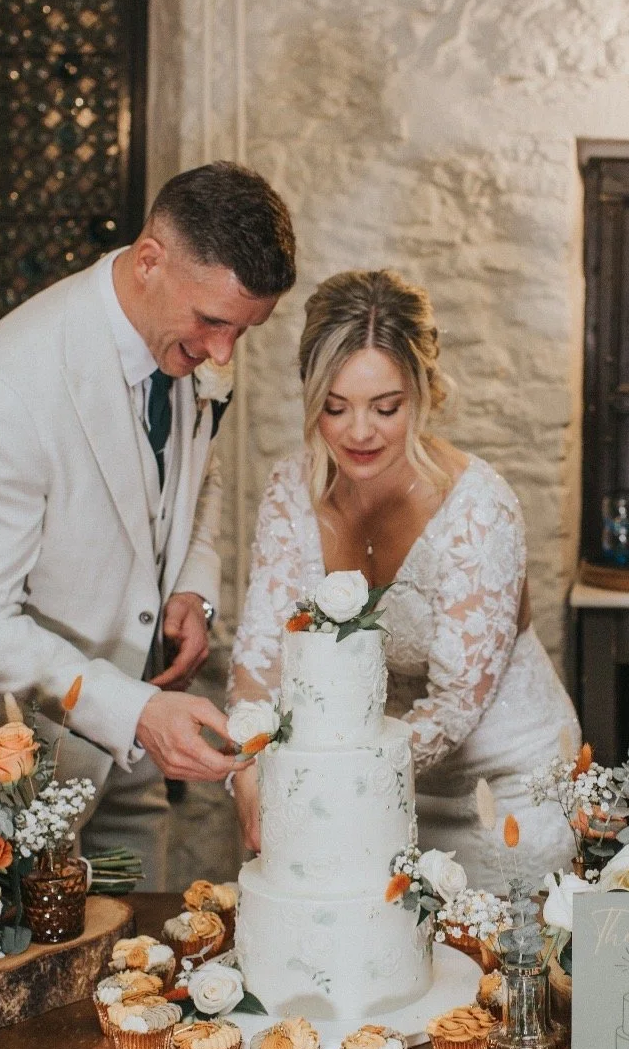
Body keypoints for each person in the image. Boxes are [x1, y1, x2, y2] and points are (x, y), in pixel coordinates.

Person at [0, 162, 297, 889]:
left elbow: (203, 471)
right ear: (150, 262)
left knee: (132, 975)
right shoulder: (1, 390)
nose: (224, 354)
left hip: (123, 768)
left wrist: (191, 589)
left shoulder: (184, 343)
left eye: (244, 331)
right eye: (214, 324)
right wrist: (135, 711)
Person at [228, 269, 577, 889]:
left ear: (424, 392)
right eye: (335, 408)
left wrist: (324, 789)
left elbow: (453, 706)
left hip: (501, 789)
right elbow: (261, 662)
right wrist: (253, 768)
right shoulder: (292, 490)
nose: (359, 432)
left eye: (385, 407)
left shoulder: (477, 508)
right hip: (364, 794)